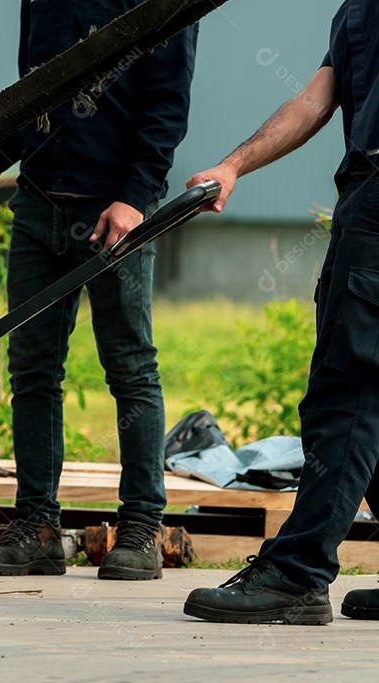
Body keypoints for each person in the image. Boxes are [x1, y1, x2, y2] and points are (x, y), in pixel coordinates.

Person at [0, 0, 197, 581]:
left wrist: (134, 196)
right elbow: (33, 97)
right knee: (32, 369)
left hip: (117, 209)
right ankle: (38, 528)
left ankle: (141, 527)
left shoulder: (164, 1)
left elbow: (167, 105)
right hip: (38, 205)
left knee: (129, 366)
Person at [184, 0, 379, 625]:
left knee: (348, 395)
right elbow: (315, 101)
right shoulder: (359, 11)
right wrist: (233, 165)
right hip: (363, 198)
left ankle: (297, 574)